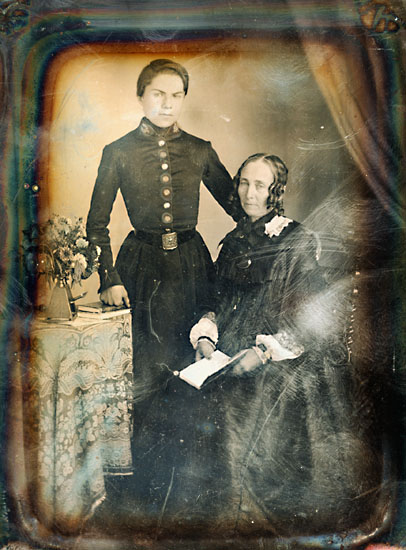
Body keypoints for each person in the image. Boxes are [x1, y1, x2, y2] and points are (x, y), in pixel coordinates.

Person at [190, 153, 382, 537]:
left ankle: (245, 522)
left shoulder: (296, 239)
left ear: (275, 191)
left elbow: (314, 320)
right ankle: (212, 520)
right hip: (228, 350)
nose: (249, 192)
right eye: (244, 182)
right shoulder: (232, 241)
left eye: (259, 185)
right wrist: (207, 336)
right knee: (189, 395)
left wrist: (263, 353)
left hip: (284, 357)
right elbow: (216, 300)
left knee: (235, 406)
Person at [86, 59, 237, 531]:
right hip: (142, 272)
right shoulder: (117, 151)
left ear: (184, 100)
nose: (166, 104)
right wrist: (109, 277)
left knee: (193, 371)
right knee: (148, 380)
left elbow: (239, 206)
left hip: (192, 270)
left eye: (175, 95)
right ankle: (144, 496)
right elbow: (96, 223)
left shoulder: (200, 149)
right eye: (157, 94)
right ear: (141, 96)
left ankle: (191, 490)